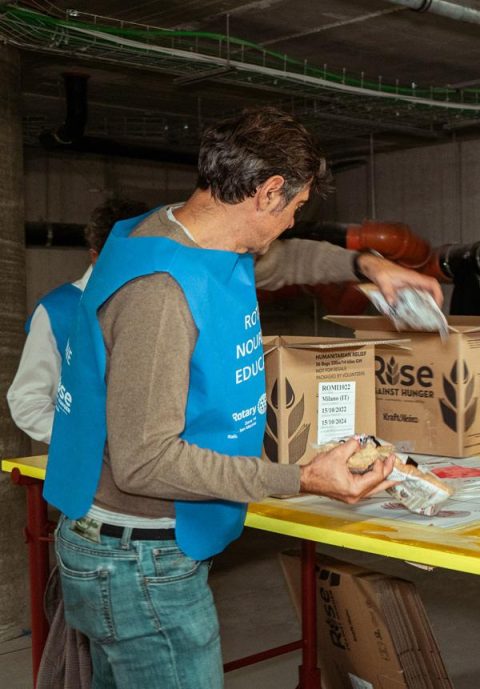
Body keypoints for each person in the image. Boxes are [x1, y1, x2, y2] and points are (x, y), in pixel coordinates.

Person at [42, 106, 442, 689]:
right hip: (137, 561)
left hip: (127, 550)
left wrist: (369, 263)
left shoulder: (172, 232)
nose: (288, 224)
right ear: (268, 192)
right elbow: (145, 460)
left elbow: (284, 260)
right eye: (295, 209)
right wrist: (299, 479)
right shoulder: (160, 296)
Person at [8, 197, 148, 444]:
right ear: (95, 256)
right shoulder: (59, 311)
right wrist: (82, 441)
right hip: (88, 470)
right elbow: (27, 401)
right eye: (123, 261)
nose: (135, 270)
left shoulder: (164, 302)